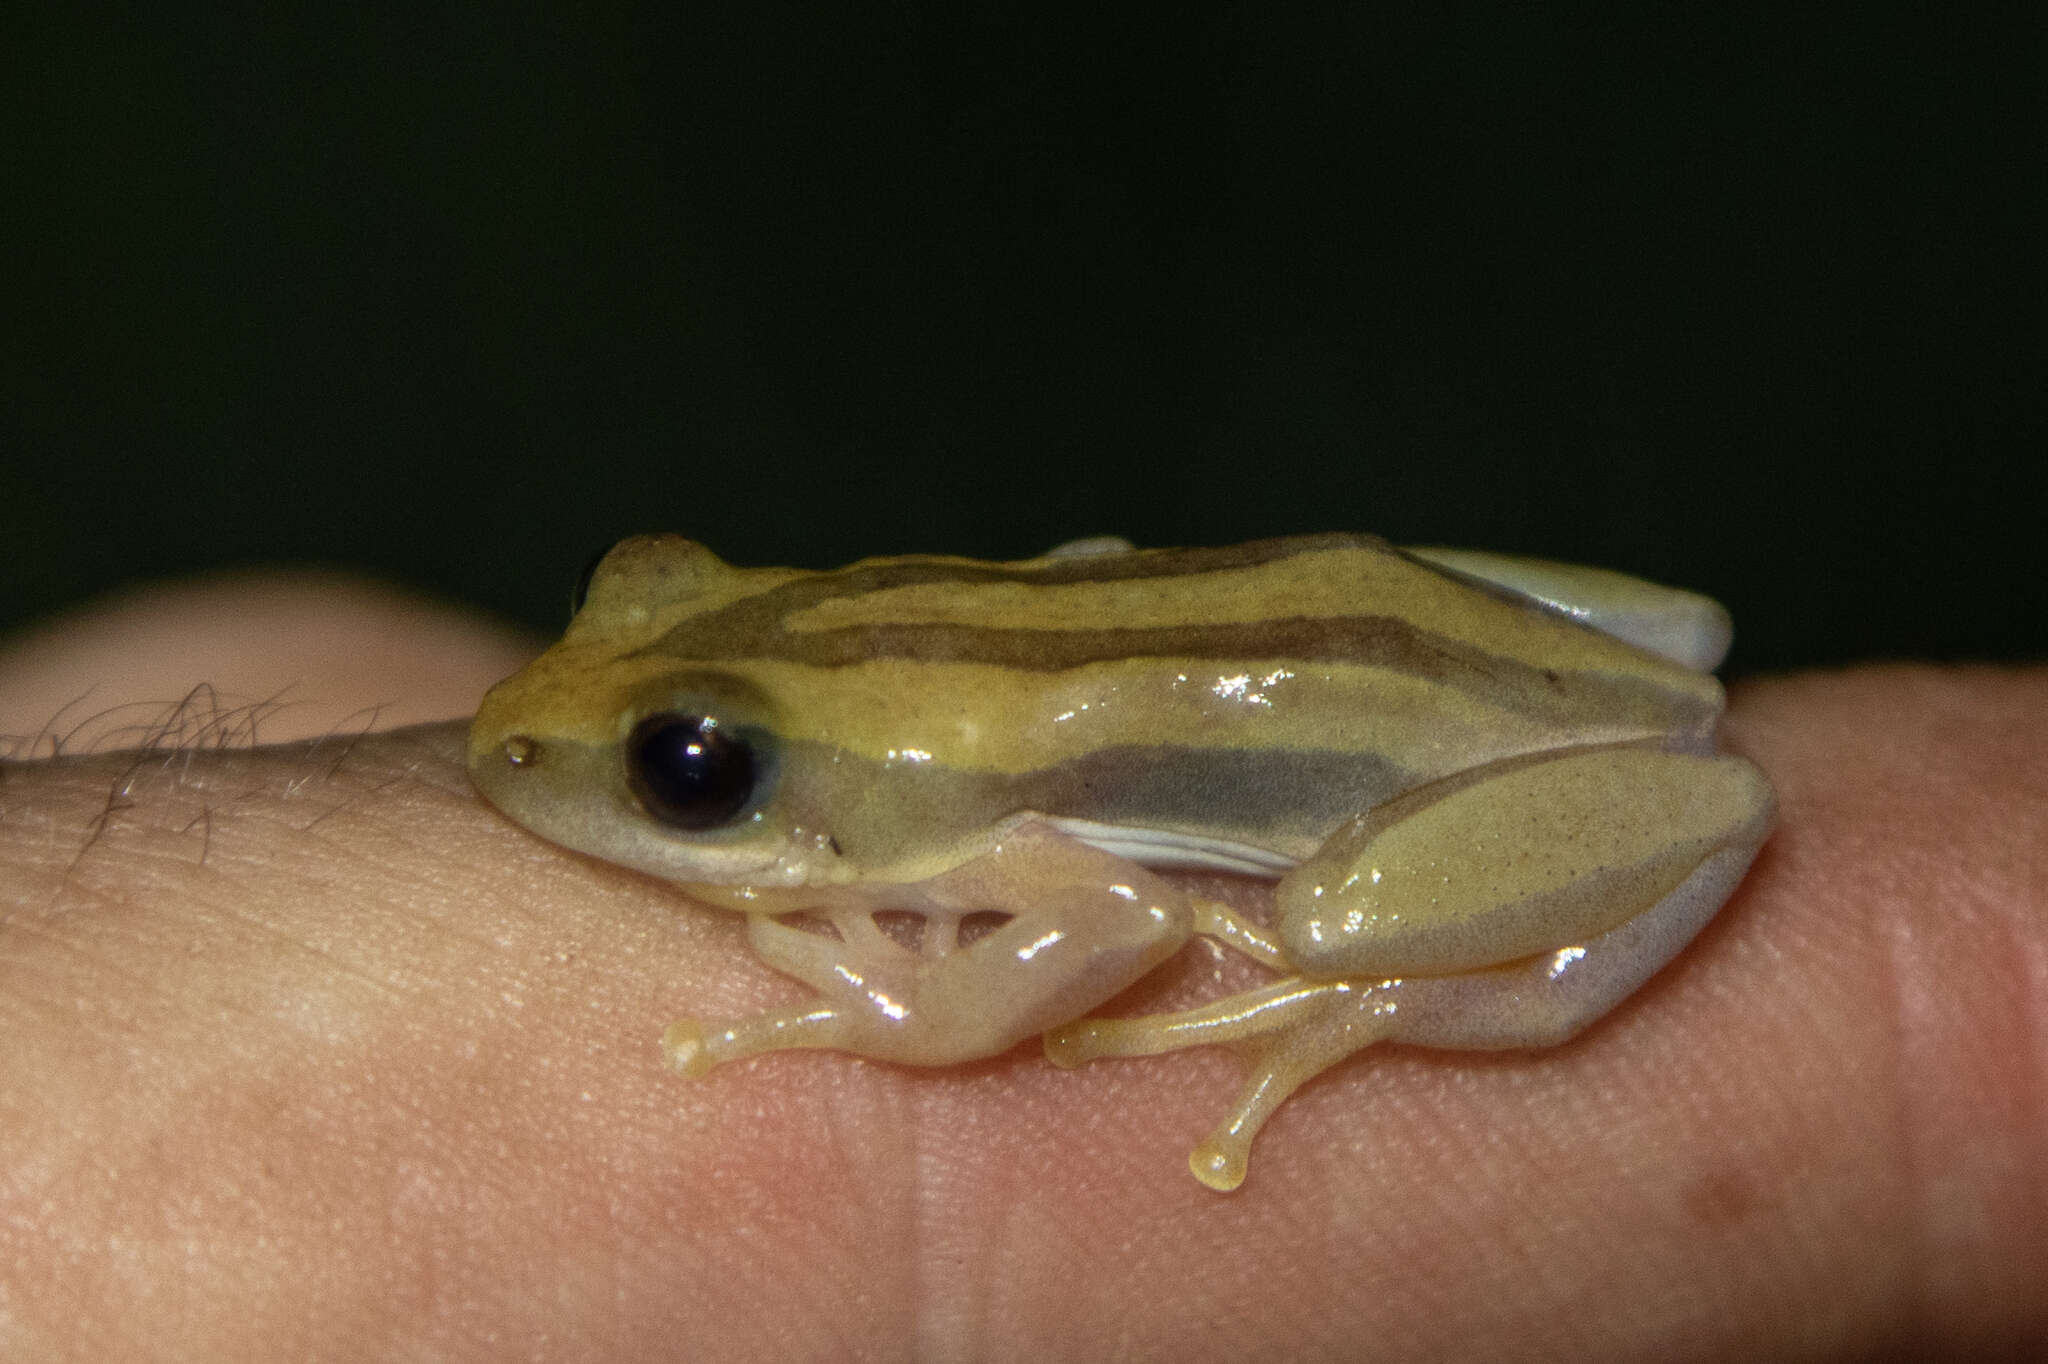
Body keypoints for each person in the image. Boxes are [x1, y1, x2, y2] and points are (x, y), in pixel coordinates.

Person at [2, 574, 2043, 1359]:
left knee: (1319, 920)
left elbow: (1125, 914)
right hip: (1461, 623)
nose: (626, 773)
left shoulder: (987, 820)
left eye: (695, 771)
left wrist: (913, 1002)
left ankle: (1410, 988)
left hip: (1452, 763)